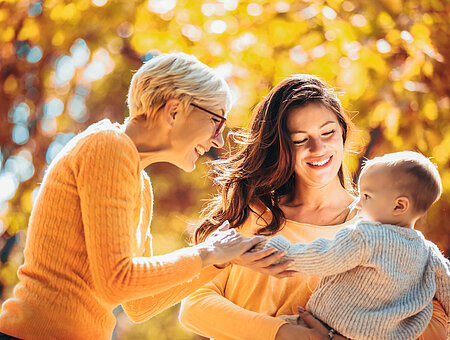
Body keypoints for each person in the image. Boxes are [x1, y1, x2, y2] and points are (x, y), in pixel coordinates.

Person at [0, 53, 266, 340]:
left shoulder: (139, 183)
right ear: (174, 111)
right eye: (216, 122)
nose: (218, 140)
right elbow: (117, 281)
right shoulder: (107, 146)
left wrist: (220, 260)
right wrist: (207, 252)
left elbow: (139, 305)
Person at [179, 74, 448, 340]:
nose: (318, 148)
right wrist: (285, 334)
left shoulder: (381, 226)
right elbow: (194, 306)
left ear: (342, 133)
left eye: (328, 133)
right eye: (299, 139)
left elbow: (432, 323)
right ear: (280, 146)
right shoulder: (250, 214)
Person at [259, 151, 450, 340]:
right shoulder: (429, 253)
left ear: (399, 206)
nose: (357, 203)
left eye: (367, 196)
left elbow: (324, 258)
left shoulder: (366, 236)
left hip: (329, 325)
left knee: (273, 330)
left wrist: (282, 250)